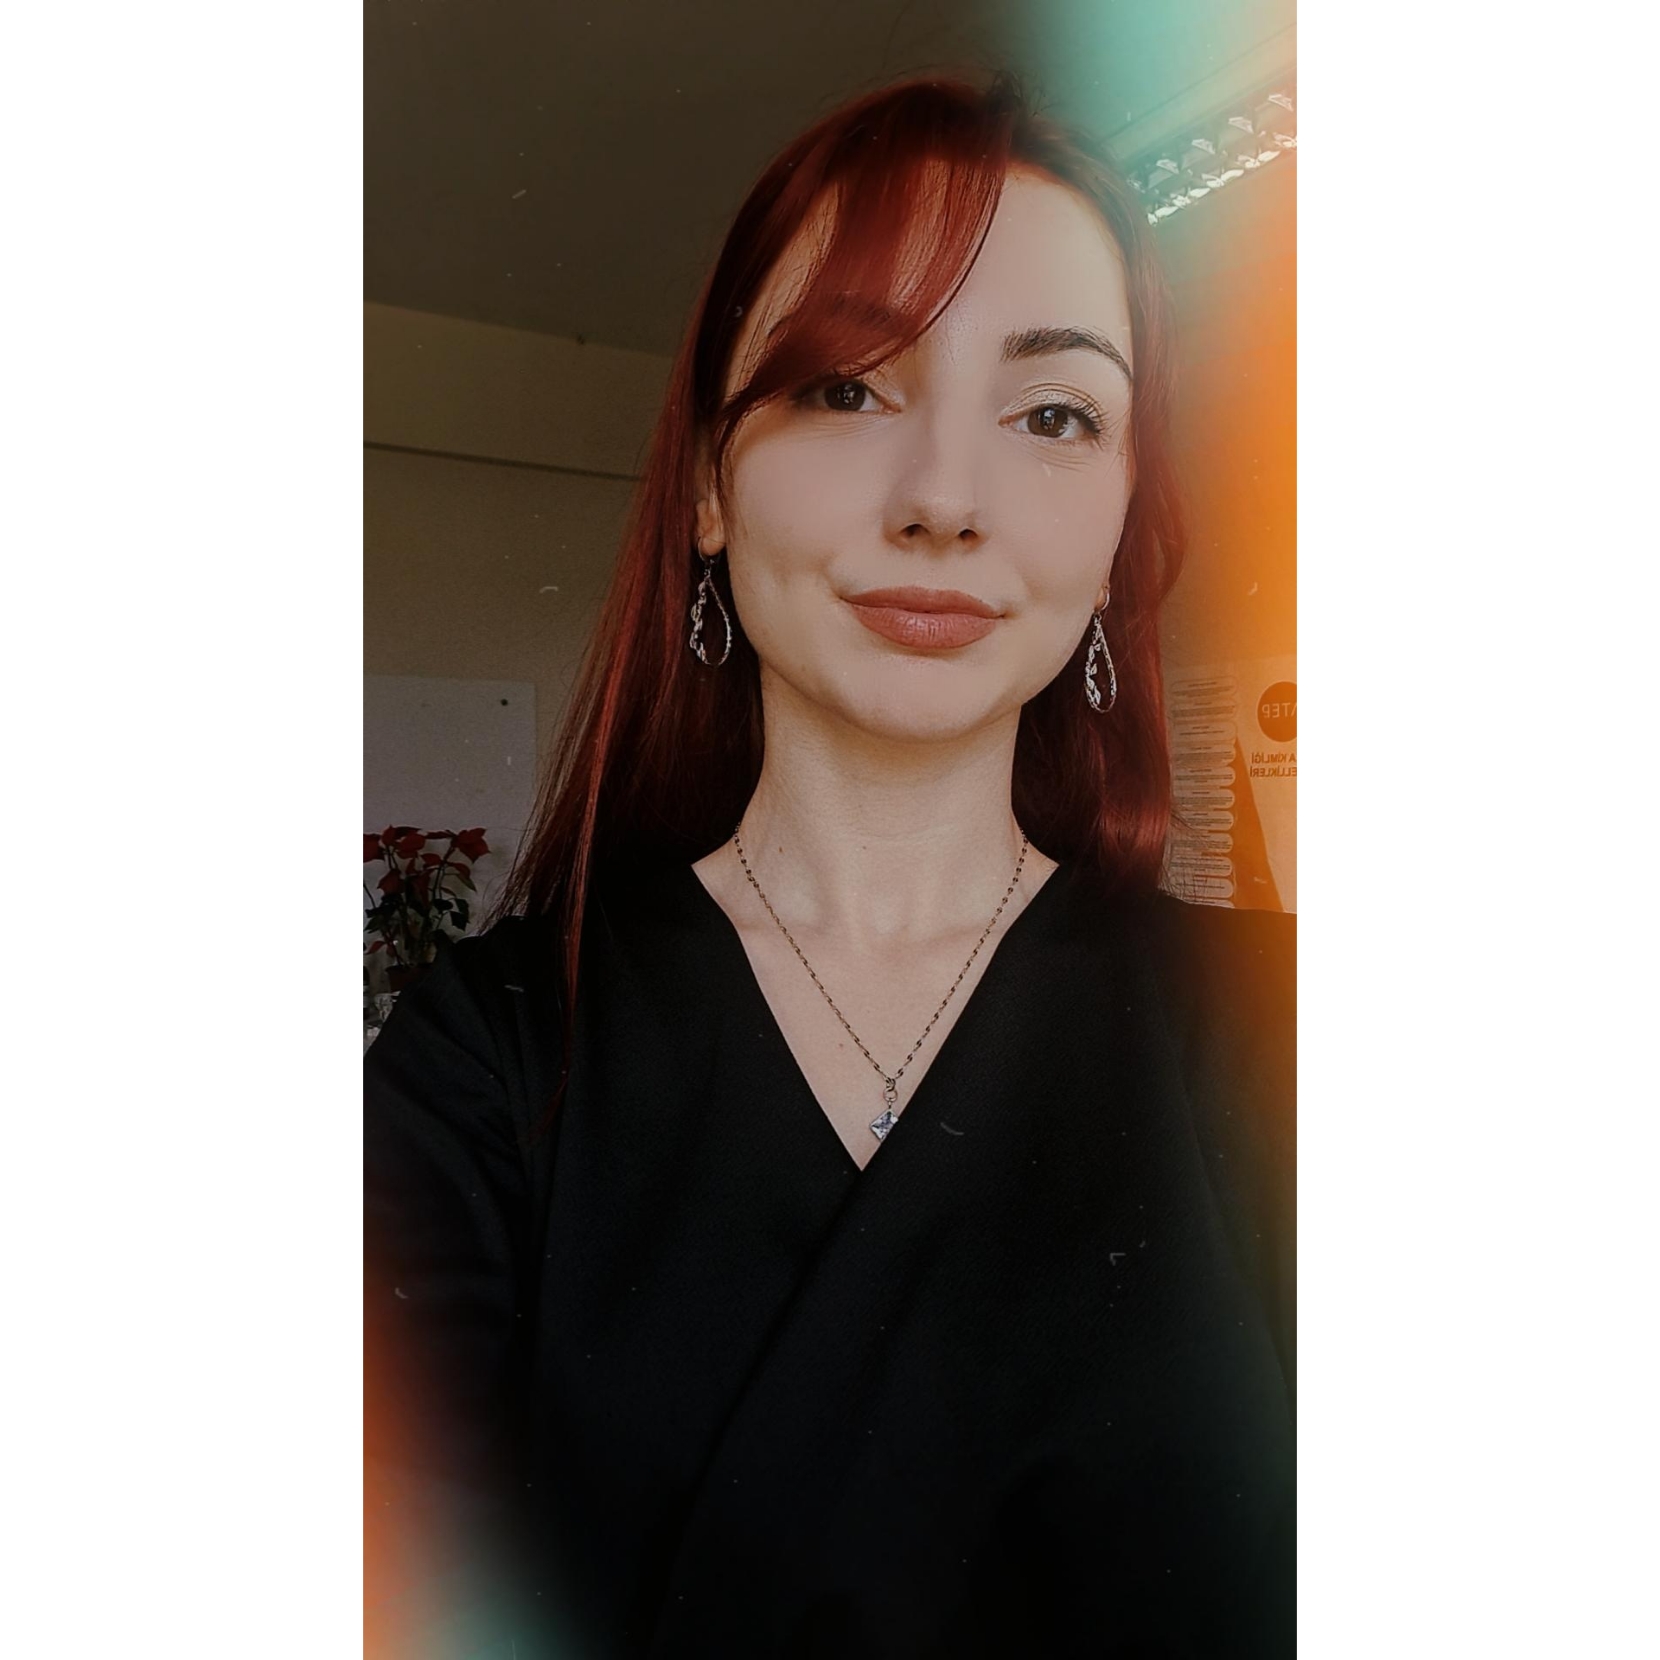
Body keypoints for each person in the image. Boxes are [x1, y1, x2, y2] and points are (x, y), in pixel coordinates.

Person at [365, 70, 1295, 1660]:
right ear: (710, 486)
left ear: (1122, 522)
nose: (943, 501)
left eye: (1054, 415)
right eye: (849, 389)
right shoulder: (486, 1068)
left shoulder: (1290, 1034)